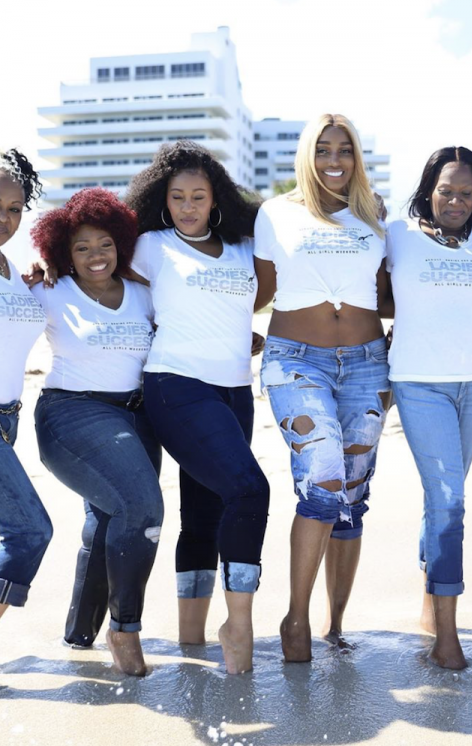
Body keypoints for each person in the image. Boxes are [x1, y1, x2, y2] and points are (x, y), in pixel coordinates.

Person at [124, 140, 269, 674]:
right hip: (176, 385)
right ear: (162, 200)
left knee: (207, 510)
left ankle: (191, 642)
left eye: (198, 197)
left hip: (235, 389)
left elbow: (250, 299)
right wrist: (42, 273)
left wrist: (240, 335)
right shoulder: (150, 245)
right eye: (178, 197)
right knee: (250, 490)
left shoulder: (242, 247)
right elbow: (93, 266)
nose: (188, 207)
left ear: (216, 200)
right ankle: (238, 625)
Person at [254, 113, 390, 662]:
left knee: (353, 495)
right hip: (296, 362)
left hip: (367, 363)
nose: (335, 160)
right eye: (323, 149)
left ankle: (336, 624)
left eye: (345, 150)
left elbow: (389, 292)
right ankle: (296, 618)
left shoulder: (374, 215)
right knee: (324, 480)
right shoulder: (275, 213)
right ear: (306, 156)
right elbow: (256, 290)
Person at [30, 188, 162, 677]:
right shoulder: (48, 291)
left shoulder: (143, 293)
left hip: (137, 417)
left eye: (105, 244)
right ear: (63, 251)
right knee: (141, 507)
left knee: (110, 518)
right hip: (72, 413)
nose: (95, 256)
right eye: (81, 247)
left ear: (120, 243)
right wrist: (31, 270)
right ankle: (125, 628)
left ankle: (79, 635)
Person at [385, 146, 472, 669]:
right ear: (428, 191)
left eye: (466, 192)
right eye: (446, 190)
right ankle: (447, 638)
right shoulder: (398, 235)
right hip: (419, 382)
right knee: (451, 501)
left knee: (442, 500)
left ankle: (430, 606)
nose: (456, 200)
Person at [0, 149, 50, 621]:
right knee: (29, 532)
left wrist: (33, 282)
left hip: (8, 419)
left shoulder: (12, 269)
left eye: (14, 208)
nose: (5, 219)